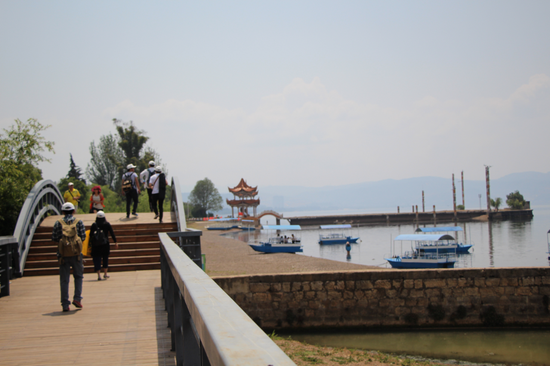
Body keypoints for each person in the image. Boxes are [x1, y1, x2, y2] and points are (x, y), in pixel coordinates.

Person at [51, 202, 85, 312]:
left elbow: (55, 237)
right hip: (76, 255)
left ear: (62, 212)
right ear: (73, 211)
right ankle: (77, 299)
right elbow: (83, 236)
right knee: (78, 276)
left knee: (64, 280)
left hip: (63, 255)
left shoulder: (58, 223)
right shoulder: (78, 222)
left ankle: (65, 304)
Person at [89, 211, 118, 280]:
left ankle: (99, 275)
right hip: (105, 244)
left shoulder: (94, 225)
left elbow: (90, 235)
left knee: (97, 259)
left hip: (96, 245)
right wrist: (115, 242)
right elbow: (112, 233)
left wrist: (90, 243)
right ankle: (105, 274)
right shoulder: (107, 224)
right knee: (105, 259)